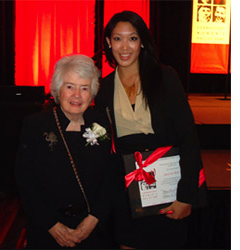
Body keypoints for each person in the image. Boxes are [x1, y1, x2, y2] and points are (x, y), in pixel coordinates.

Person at [95, 11, 207, 249]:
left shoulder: (165, 77)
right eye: (117, 39)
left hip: (168, 185)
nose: (124, 47)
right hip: (127, 189)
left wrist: (186, 196)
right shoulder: (103, 88)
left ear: (142, 41)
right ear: (108, 42)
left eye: (132, 38)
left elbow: (188, 137)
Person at [15, 54, 118, 249]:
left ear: (92, 92)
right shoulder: (35, 125)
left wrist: (93, 220)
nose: (77, 95)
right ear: (58, 89)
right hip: (47, 231)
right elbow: (25, 182)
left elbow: (111, 176)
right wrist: (52, 226)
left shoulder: (102, 123)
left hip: (94, 232)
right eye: (70, 86)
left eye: (84, 88)